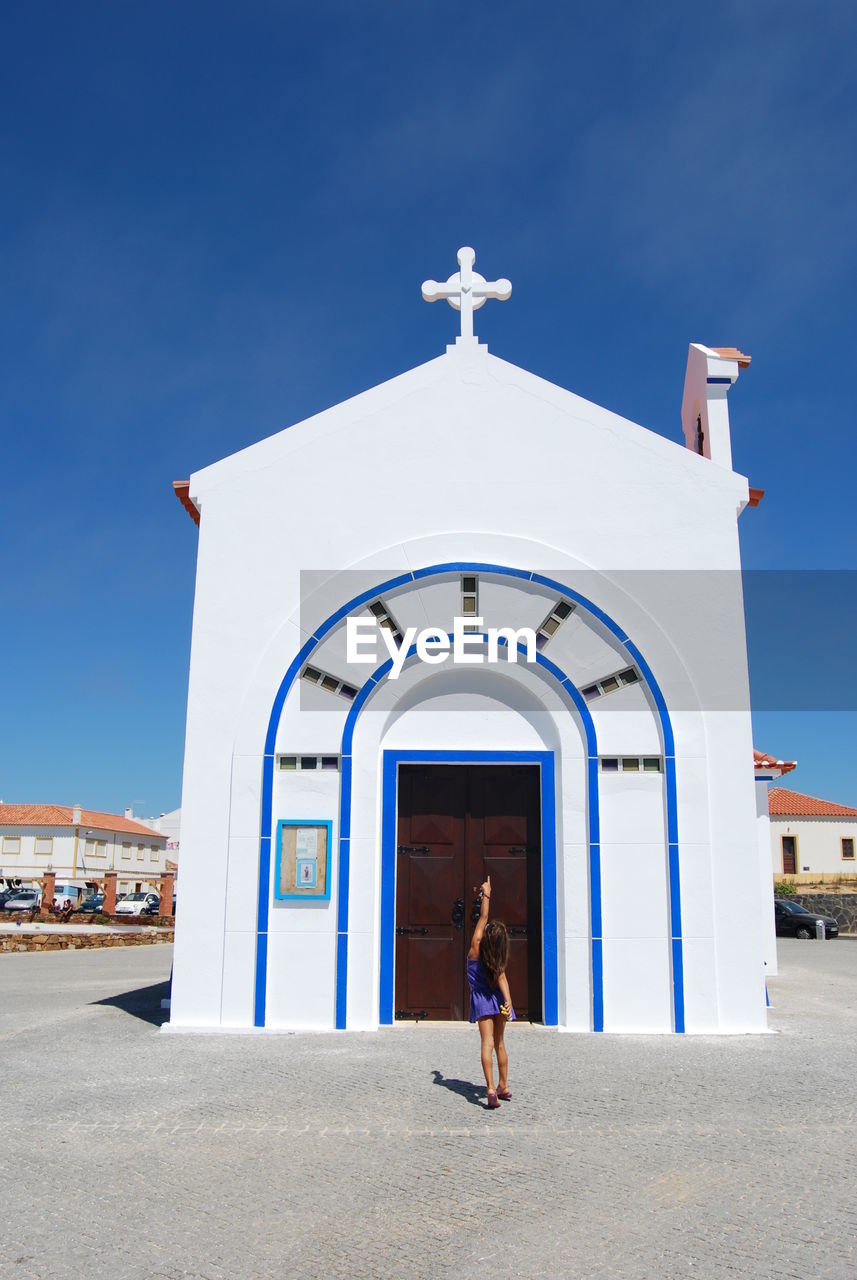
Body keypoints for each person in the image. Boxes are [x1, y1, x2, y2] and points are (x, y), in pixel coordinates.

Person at [466, 875, 514, 1109]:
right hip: (498, 1001)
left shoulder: (476, 947)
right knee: (500, 1044)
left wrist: (487, 893)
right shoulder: (496, 959)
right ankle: (505, 1086)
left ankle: (492, 1089)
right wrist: (509, 1003)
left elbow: (483, 917)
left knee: (487, 1043)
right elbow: (503, 978)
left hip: (482, 1001)